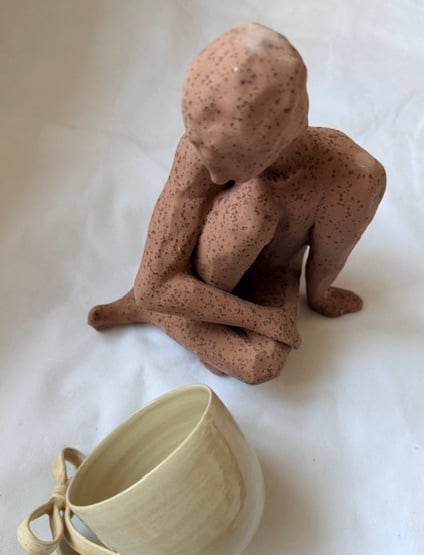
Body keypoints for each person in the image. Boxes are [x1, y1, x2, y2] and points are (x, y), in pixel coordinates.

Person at [88, 23, 386, 384]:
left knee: (260, 364)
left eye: (231, 162)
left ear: (282, 136)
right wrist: (256, 318)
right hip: (205, 270)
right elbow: (154, 283)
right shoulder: (199, 154)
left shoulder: (353, 178)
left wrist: (320, 297)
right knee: (253, 210)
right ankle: (164, 309)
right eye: (201, 146)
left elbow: (328, 257)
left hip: (272, 270)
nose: (215, 177)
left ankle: (168, 311)